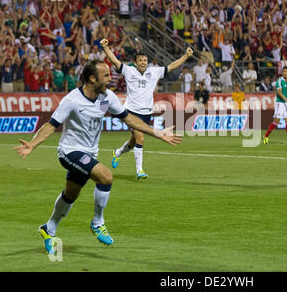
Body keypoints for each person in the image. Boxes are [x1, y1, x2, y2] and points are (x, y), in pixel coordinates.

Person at [13, 60, 182, 255]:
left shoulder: (107, 98)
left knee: (71, 195)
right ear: (93, 78)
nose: (111, 79)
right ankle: (97, 222)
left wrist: (157, 133)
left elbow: (128, 118)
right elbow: (51, 125)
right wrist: (32, 144)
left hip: (88, 153)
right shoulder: (72, 100)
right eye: (107, 76)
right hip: (69, 152)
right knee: (106, 176)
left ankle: (48, 229)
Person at [100, 38, 192, 179]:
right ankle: (140, 171)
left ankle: (117, 152)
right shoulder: (129, 71)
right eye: (140, 60)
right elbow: (115, 62)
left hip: (147, 112)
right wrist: (106, 48)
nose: (143, 62)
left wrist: (186, 56)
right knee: (140, 138)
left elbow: (172, 66)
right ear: (135, 63)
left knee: (133, 142)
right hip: (131, 111)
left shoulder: (154, 72)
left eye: (145, 60)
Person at [263, 66, 287, 145]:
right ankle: (265, 136)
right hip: (280, 103)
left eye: (286, 71)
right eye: (284, 71)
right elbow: (279, 92)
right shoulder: (279, 81)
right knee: (277, 121)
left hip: (286, 104)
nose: (285, 73)